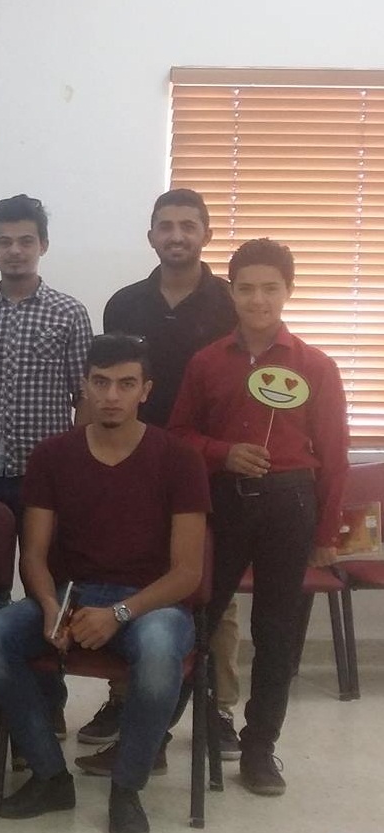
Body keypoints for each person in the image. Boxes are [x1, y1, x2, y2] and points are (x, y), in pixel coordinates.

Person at [0, 334, 209, 833]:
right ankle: (49, 775)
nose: (111, 396)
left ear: (146, 390)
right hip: (72, 596)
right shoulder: (53, 455)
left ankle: (127, 789)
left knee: (159, 650)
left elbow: (187, 572)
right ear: (83, 385)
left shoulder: (179, 458)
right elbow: (33, 555)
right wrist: (49, 607)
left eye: (125, 384)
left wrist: (120, 613)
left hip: (152, 605)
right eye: (100, 383)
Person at [169, 238, 349, 797]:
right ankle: (153, 732)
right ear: (232, 293)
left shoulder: (316, 366)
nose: (258, 300)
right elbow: (178, 435)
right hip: (222, 503)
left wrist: (327, 533)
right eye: (246, 288)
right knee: (193, 620)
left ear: (288, 291)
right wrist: (223, 453)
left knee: (276, 631)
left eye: (271, 288)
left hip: (290, 506)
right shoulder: (206, 362)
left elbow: (335, 456)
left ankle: (259, 748)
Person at [85, 188, 241, 757]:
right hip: (134, 467)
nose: (177, 236)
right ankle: (124, 697)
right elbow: (109, 381)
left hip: (207, 465)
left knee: (214, 589)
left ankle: (216, 708)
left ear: (205, 234)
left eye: (188, 226)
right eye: (166, 226)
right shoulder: (125, 303)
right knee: (128, 574)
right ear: (151, 235)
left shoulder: (230, 303)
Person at [0, 195, 90, 736]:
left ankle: (49, 701)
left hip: (44, 477)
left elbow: (84, 398)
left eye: (25, 241)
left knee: (43, 590)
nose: (15, 250)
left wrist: (76, 469)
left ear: (43, 246)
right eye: (4, 242)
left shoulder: (69, 314)